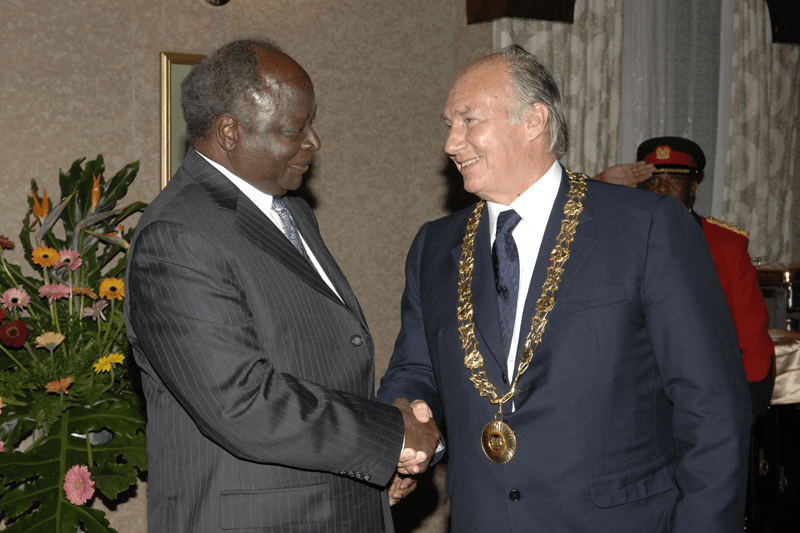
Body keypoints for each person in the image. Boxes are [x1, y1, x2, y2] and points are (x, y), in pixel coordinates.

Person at [377, 45, 751, 532]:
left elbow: (711, 405)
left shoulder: (645, 227)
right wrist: (407, 419)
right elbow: (414, 369)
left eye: (469, 121)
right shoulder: (435, 245)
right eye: (449, 124)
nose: (451, 143)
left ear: (534, 120)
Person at [124, 38, 437, 532]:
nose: (314, 141)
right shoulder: (178, 235)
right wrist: (387, 437)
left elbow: (322, 361)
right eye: (295, 128)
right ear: (230, 131)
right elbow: (241, 403)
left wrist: (379, 467)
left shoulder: (290, 210)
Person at [596, 136, 775, 416]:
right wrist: (598, 186)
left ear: (693, 187)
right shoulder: (618, 237)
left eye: (674, 180)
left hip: (705, 396)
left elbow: (750, 331)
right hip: (633, 399)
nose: (662, 189)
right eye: (653, 181)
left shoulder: (725, 244)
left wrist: (747, 403)